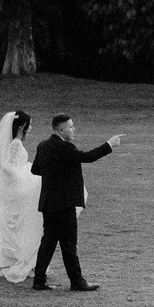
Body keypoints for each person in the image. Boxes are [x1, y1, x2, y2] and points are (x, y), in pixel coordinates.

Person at [27, 112, 123, 293]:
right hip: (64, 204)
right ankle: (76, 281)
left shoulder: (43, 146)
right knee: (69, 244)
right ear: (61, 130)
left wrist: (55, 175)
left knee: (48, 242)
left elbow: (35, 169)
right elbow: (88, 157)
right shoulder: (66, 148)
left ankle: (39, 281)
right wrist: (109, 144)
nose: (74, 129)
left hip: (49, 203)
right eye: (71, 126)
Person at [0, 109, 40, 283]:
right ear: (22, 125)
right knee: (19, 224)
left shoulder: (13, 143)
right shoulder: (15, 144)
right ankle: (17, 261)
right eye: (29, 125)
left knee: (15, 225)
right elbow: (7, 166)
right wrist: (27, 175)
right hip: (16, 190)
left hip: (14, 189)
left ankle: (13, 261)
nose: (31, 128)